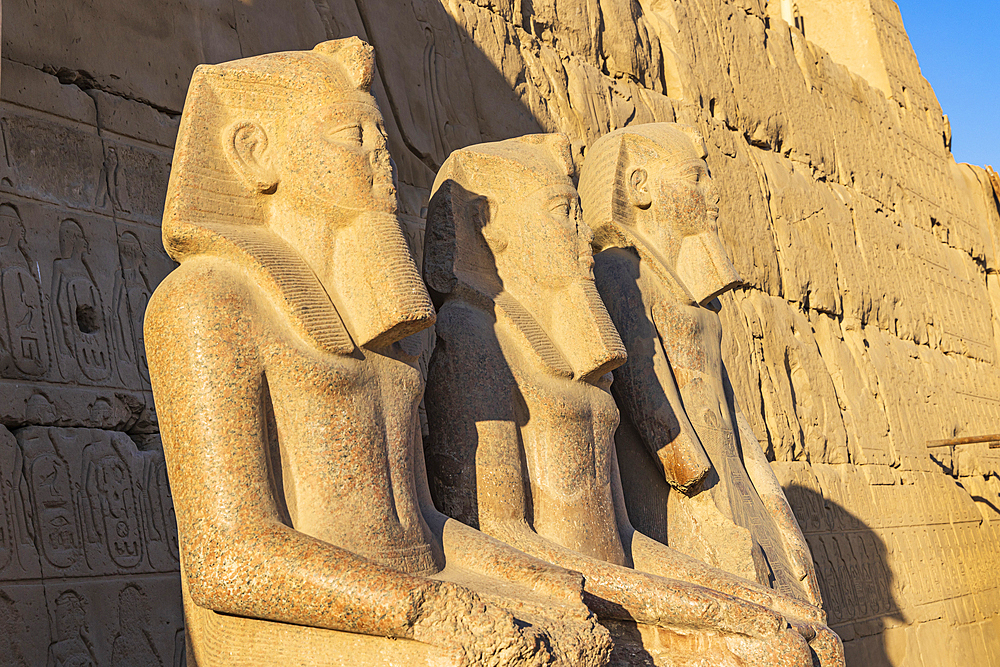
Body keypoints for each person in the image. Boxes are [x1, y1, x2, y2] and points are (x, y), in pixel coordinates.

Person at [145, 38, 609, 667]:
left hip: (405, 602)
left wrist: (543, 584)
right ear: (255, 154)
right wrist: (424, 609)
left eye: (379, 138)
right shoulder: (206, 300)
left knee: (579, 635)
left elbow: (421, 525)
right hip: (288, 626)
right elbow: (228, 556)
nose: (379, 156)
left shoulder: (401, 335)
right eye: (351, 135)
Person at [422, 132, 818, 665]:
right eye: (563, 213)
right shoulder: (474, 336)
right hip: (561, 592)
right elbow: (500, 532)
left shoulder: (587, 362)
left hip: (616, 576)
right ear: (487, 228)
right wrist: (717, 606)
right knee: (774, 649)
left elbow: (623, 535)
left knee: (793, 633)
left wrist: (735, 598)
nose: (582, 236)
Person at [579, 122, 843, 665]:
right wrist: (720, 519)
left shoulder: (702, 305)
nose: (713, 191)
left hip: (735, 493)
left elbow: (735, 424)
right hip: (683, 505)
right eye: (696, 177)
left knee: (816, 637)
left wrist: (780, 519)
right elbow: (663, 429)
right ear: (641, 186)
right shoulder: (619, 274)